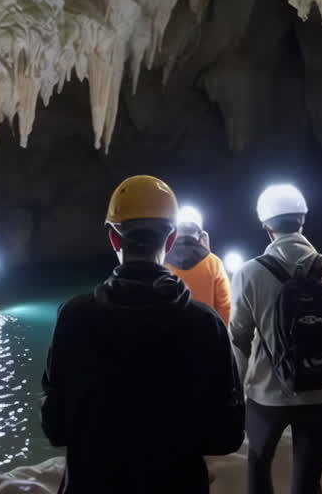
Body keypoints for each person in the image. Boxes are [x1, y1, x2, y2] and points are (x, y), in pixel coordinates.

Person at [41, 175, 246, 494]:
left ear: (114, 239)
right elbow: (227, 435)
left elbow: (55, 428)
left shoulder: (75, 318)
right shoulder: (205, 324)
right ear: (171, 239)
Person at [229, 183, 322, 494]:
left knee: (259, 466)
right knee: (308, 479)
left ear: (265, 225)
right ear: (303, 219)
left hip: (267, 396)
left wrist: (236, 389)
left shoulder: (248, 273)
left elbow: (239, 339)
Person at [167, 206, 233, 325]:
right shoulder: (214, 263)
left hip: (168, 338)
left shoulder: (161, 261)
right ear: (201, 234)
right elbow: (226, 307)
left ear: (174, 231)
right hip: (206, 337)